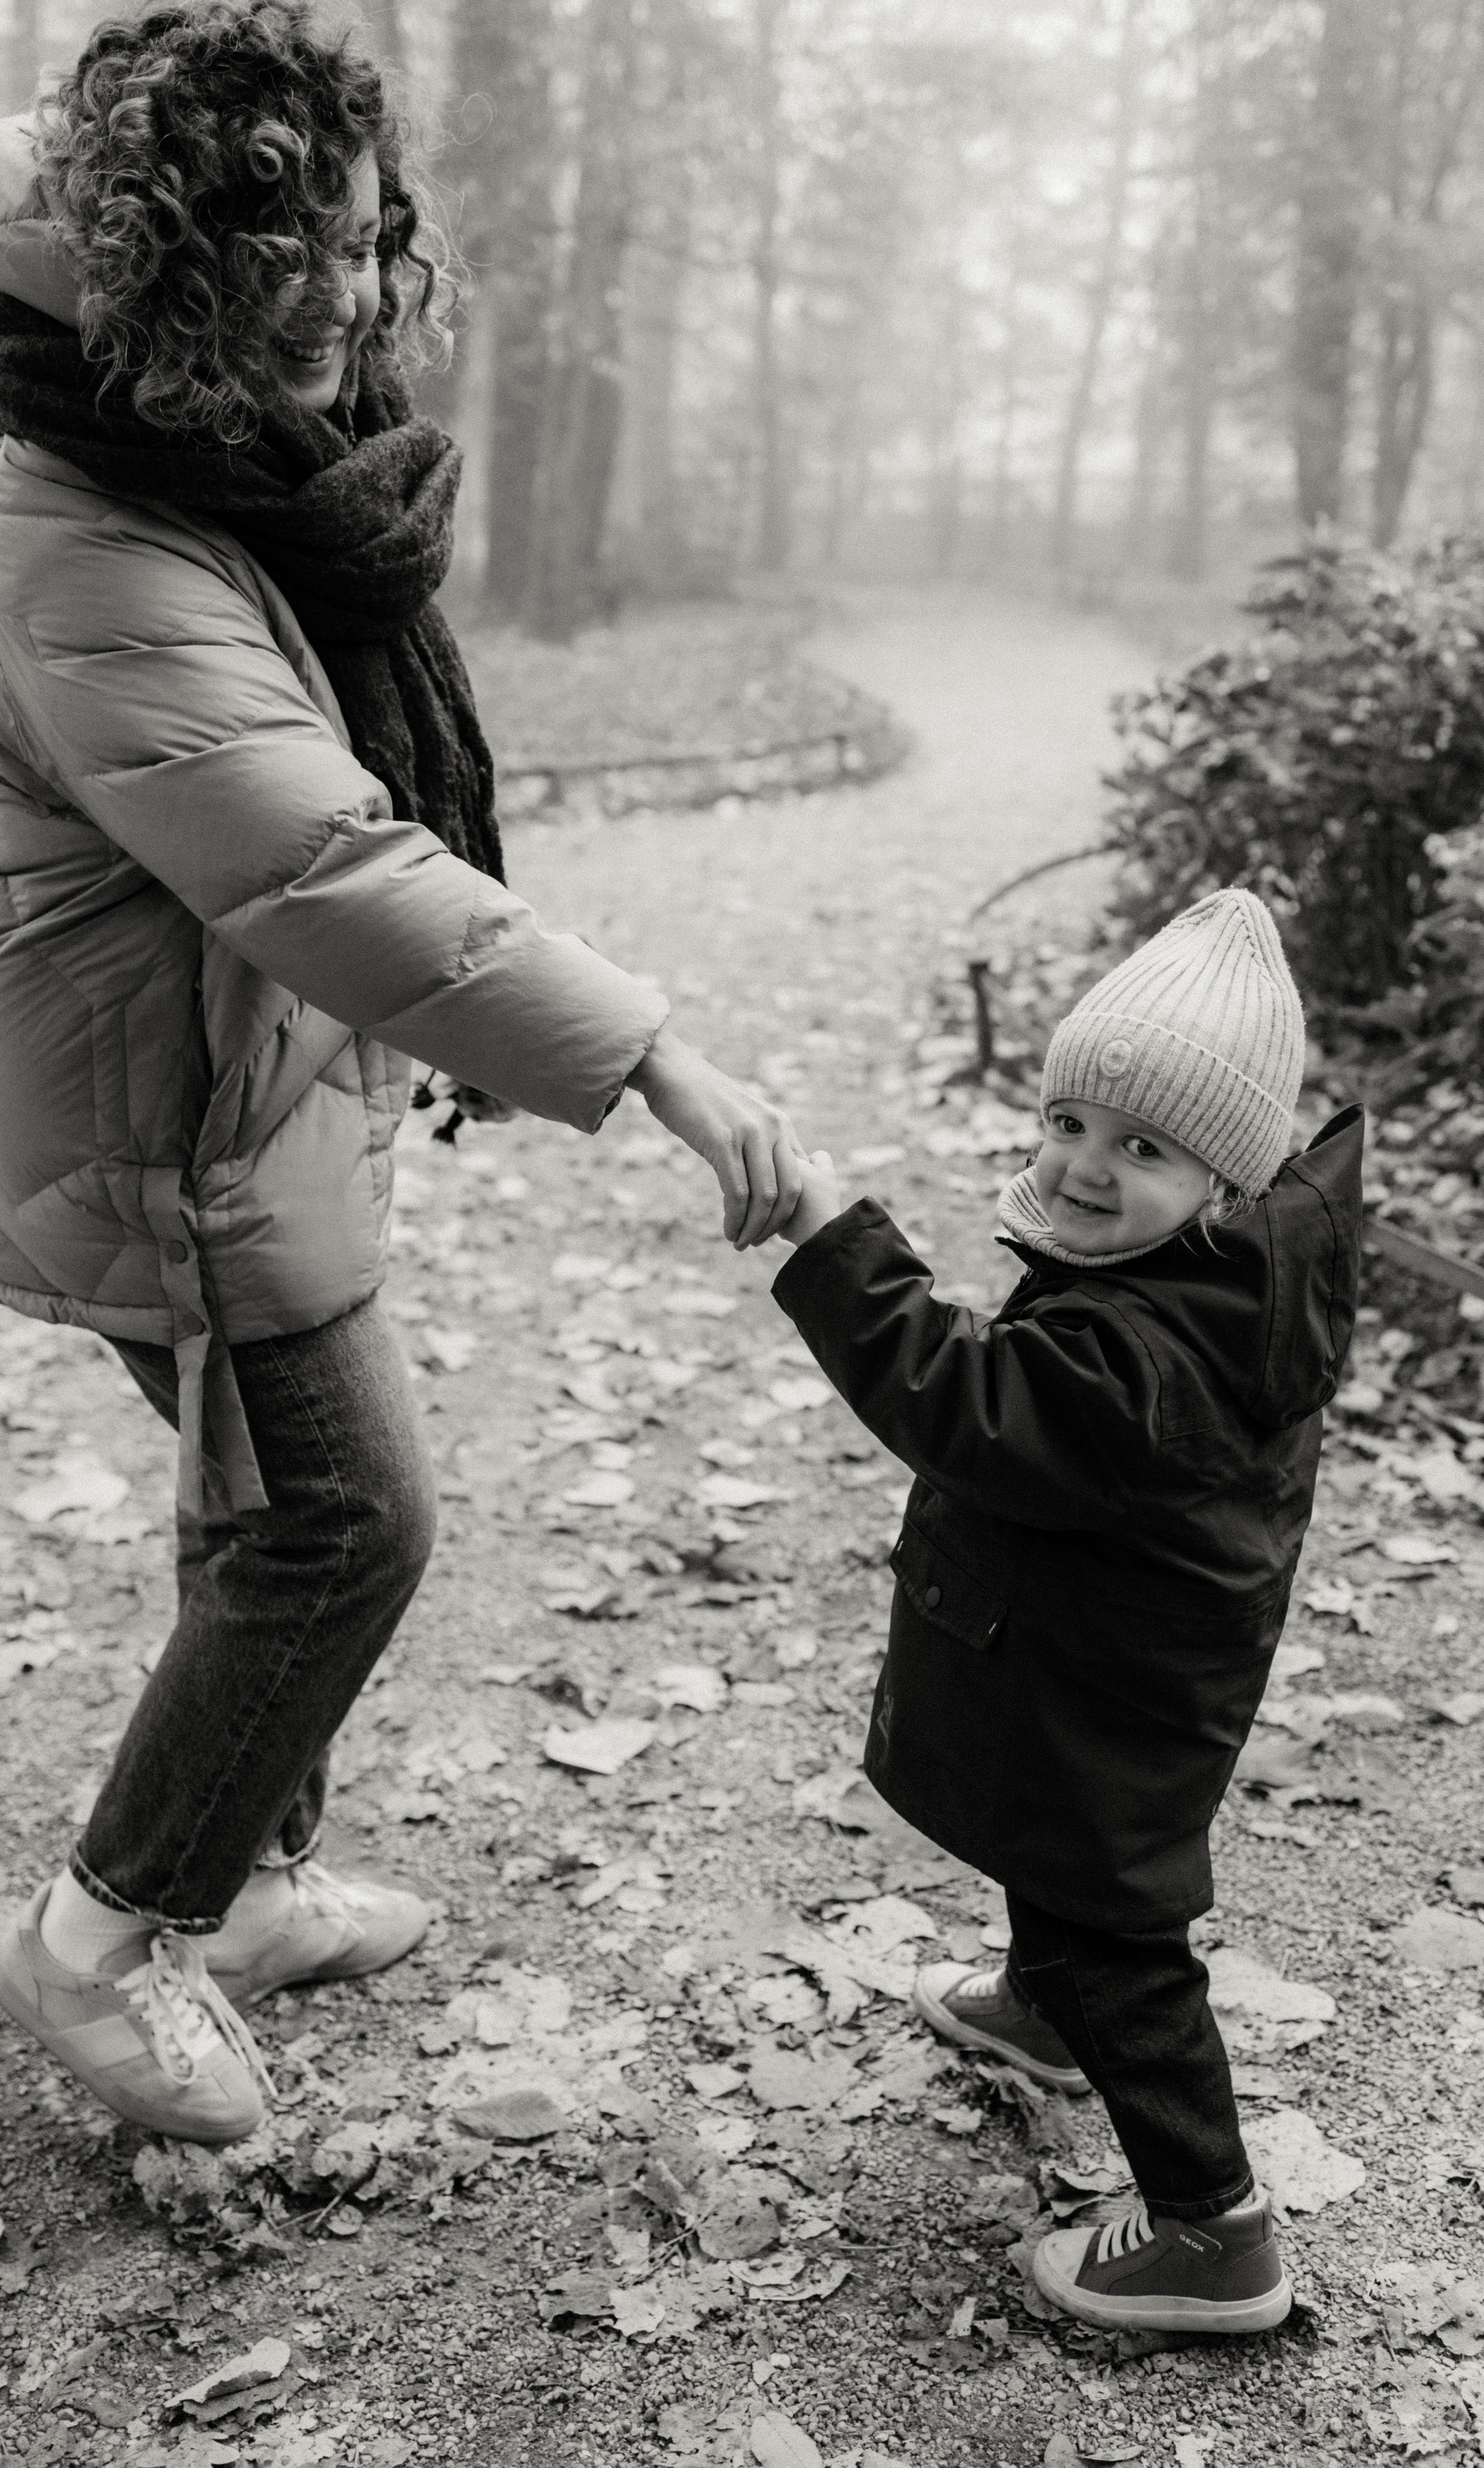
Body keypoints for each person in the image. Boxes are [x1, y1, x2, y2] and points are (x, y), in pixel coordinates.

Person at [0, 0, 802, 2147]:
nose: (352, 297)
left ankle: (244, 1884)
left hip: (210, 1074)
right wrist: (652, 1054)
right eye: (307, 255)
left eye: (371, 244)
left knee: (268, 1505)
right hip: (157, 1106)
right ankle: (98, 1949)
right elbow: (313, 854)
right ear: (180, 256)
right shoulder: (79, 521)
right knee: (346, 1522)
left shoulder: (162, 429)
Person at [771, 890, 1362, 2333]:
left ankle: (1211, 2232)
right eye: (1068, 1124)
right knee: (1057, 1851)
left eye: (1141, 1146)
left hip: (1112, 1683)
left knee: (1115, 1929)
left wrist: (829, 1241)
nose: (1086, 1168)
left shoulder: (1146, 1352)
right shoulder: (1197, 1275)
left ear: (1221, 1176)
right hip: (1104, 1659)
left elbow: (969, 1404)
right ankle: (1044, 2007)